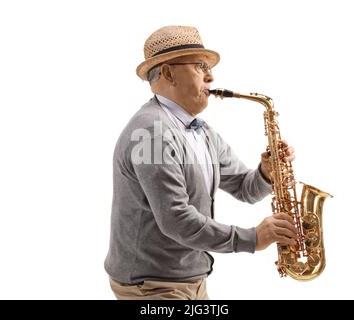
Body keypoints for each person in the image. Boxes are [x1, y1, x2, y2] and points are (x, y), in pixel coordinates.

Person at [104, 25, 297, 300]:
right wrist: (252, 238)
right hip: (151, 286)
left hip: (190, 280)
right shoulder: (151, 133)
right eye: (199, 66)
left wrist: (266, 172)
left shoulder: (201, 130)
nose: (211, 75)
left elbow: (245, 188)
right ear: (169, 73)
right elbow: (177, 220)